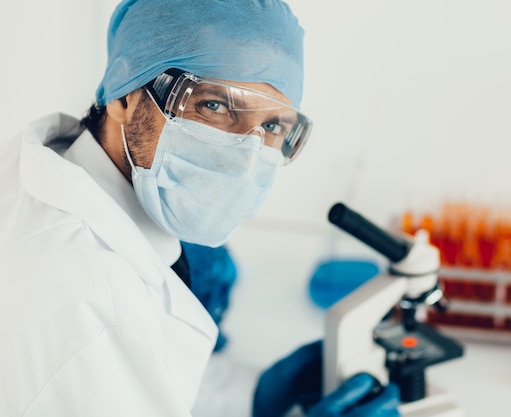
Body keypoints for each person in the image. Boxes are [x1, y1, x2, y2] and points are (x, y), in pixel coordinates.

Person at [0, 0, 400, 416]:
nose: (246, 157)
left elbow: (141, 379)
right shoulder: (90, 301)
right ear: (124, 92)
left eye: (271, 126)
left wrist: (252, 396)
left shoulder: (59, 173)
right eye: (216, 106)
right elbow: (105, 355)